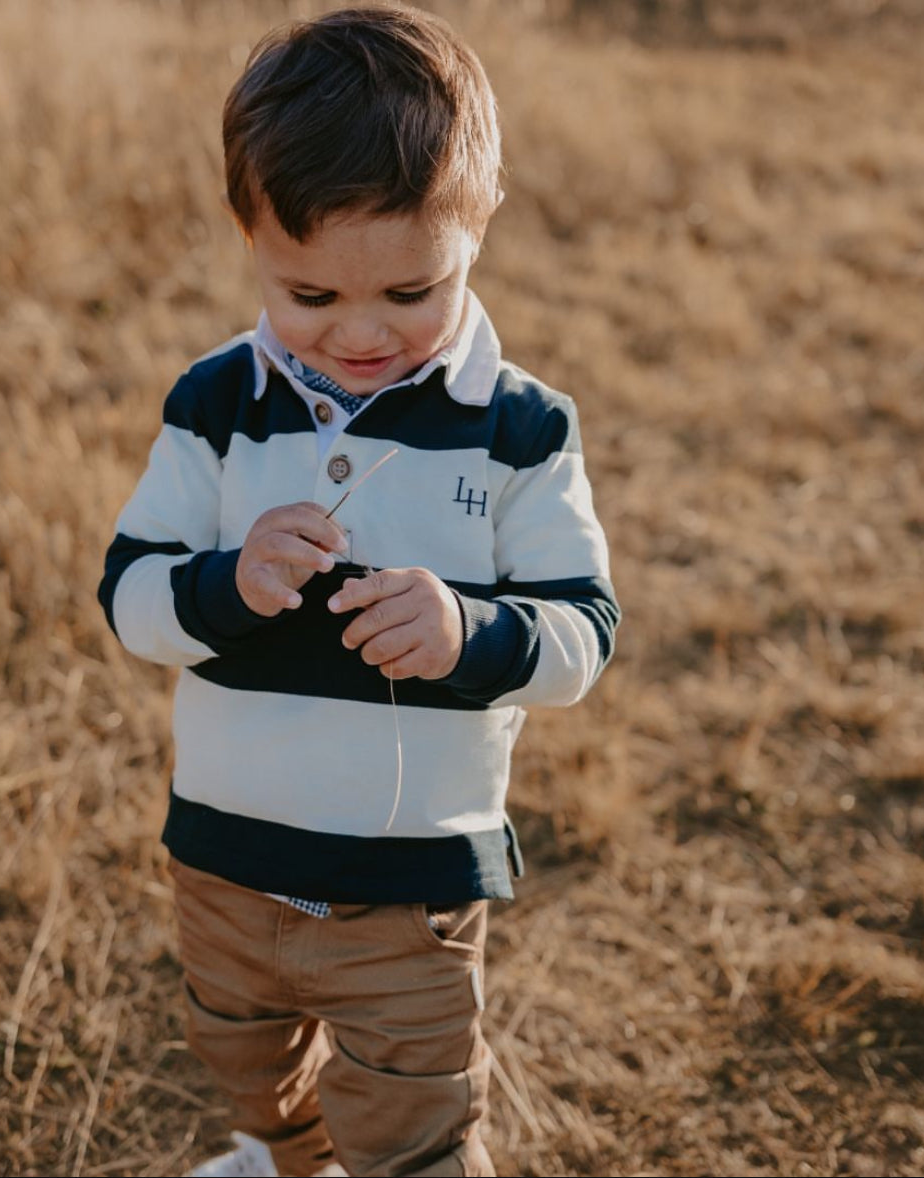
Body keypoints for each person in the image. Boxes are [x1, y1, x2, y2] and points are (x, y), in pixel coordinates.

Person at [97, 6, 620, 1176]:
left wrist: (466, 632)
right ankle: (284, 1155)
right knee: (244, 1049)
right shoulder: (217, 404)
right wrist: (228, 584)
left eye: (408, 290)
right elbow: (131, 595)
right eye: (312, 295)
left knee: (413, 1109)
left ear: (474, 231)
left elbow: (583, 631)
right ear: (250, 241)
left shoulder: (519, 429)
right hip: (227, 855)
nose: (362, 334)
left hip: (406, 883)